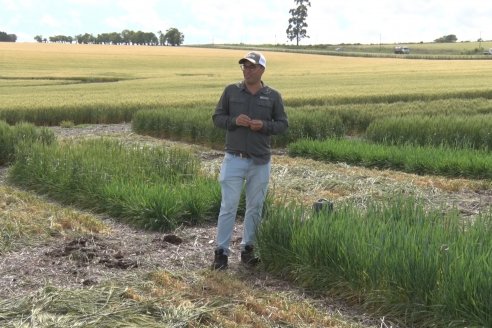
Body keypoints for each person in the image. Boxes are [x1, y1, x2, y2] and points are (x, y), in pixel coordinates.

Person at [211, 51, 289, 270]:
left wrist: (263, 126)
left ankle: (248, 249)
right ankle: (221, 252)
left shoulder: (273, 96)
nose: (247, 70)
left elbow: (283, 124)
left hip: (260, 161)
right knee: (228, 206)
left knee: (255, 207)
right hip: (234, 158)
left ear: (262, 69)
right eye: (244, 66)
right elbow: (217, 118)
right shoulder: (231, 91)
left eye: (252, 67)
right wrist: (234, 121)